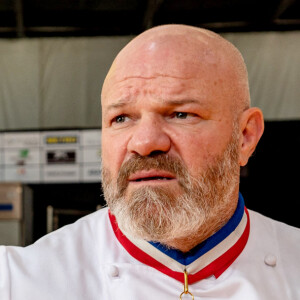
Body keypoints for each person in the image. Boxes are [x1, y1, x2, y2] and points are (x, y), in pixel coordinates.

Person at [1, 24, 299, 300]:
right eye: (121, 118)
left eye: (181, 114)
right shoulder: (21, 281)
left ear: (244, 137)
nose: (144, 143)